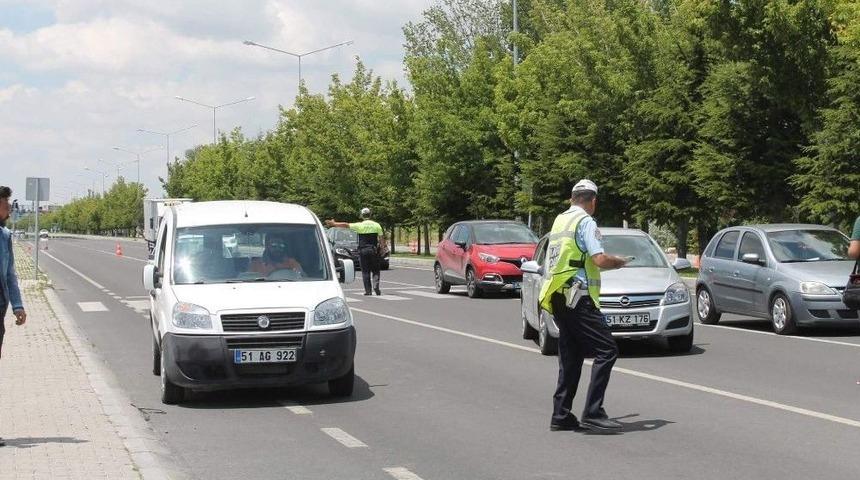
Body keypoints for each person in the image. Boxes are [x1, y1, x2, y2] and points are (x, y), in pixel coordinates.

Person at [538, 179, 630, 432]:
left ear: (571, 198)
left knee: (571, 356)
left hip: (558, 296)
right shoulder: (585, 222)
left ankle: (561, 415)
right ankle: (593, 412)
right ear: (593, 201)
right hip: (578, 298)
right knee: (607, 350)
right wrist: (619, 261)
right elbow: (599, 259)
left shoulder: (559, 221)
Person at [0, 186, 26, 448]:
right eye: (5, 204)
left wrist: (18, 305)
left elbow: (10, 274)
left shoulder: (5, 236)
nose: (9, 209)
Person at [326, 208, 384, 296]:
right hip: (373, 250)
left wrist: (334, 223)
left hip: (363, 250)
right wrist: (382, 249)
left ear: (362, 215)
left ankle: (368, 291)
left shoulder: (359, 225)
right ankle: (376, 286)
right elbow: (381, 239)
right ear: (370, 214)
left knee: (365, 271)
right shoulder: (376, 225)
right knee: (375, 270)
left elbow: (346, 225)